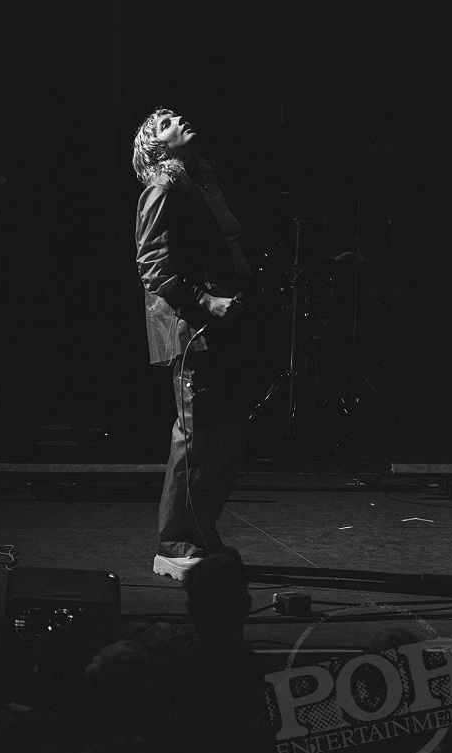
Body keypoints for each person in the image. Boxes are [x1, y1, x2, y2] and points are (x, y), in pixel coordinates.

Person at [133, 107, 256, 581]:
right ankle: (174, 544)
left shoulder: (201, 186)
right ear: (156, 147)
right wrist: (206, 301)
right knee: (196, 436)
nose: (178, 120)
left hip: (222, 325)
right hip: (193, 329)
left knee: (225, 437)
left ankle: (200, 534)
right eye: (165, 124)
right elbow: (152, 265)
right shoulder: (163, 189)